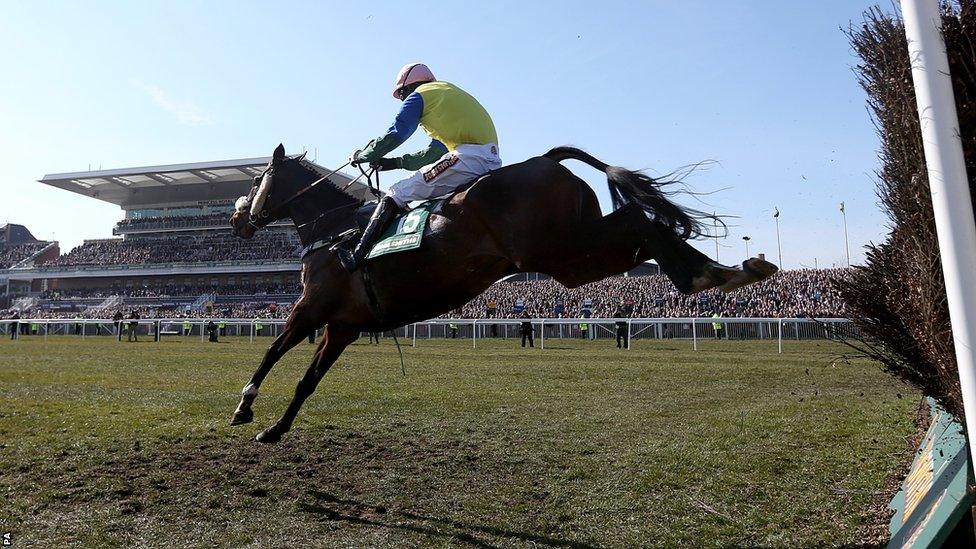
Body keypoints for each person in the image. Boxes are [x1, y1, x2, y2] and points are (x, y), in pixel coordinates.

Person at [339, 63, 501, 272]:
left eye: (402, 94)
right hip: (485, 158)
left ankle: (357, 256)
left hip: (468, 157)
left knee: (396, 192)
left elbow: (397, 132)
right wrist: (394, 163)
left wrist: (364, 155)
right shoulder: (445, 97)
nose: (404, 100)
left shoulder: (419, 95)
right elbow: (432, 154)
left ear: (409, 86)